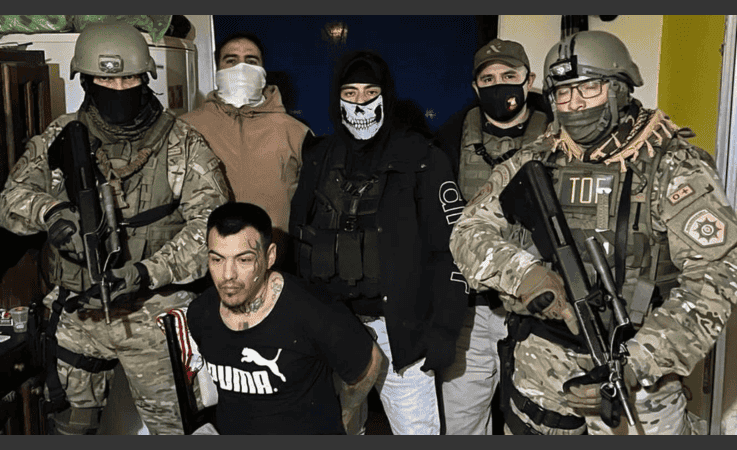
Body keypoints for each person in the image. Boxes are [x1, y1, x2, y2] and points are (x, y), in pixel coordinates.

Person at [449, 30, 737, 435]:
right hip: (543, 364)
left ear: (619, 88)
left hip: (640, 372)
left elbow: (715, 277)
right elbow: (468, 231)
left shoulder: (671, 164)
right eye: (564, 93)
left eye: (589, 87)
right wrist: (525, 275)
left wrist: (634, 364)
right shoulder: (538, 158)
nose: (575, 103)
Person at [0, 21, 229, 435]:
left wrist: (146, 272)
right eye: (106, 79)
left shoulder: (183, 143)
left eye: (128, 78)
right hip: (77, 313)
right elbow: (10, 203)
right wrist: (50, 213)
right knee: (71, 428)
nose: (118, 88)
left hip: (153, 314)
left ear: (146, 79)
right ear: (86, 80)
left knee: (179, 429)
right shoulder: (60, 136)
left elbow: (211, 230)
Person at [289, 49, 467, 435]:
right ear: (337, 98)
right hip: (330, 327)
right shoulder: (318, 158)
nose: (361, 103)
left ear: (387, 95)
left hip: (400, 330)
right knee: (337, 429)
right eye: (350, 93)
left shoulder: (423, 157)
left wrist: (445, 329)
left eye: (370, 93)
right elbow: (297, 242)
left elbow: (451, 250)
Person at [186, 202, 383, 434]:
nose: (228, 275)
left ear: (269, 256)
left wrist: (345, 417)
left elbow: (369, 363)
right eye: (217, 260)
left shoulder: (312, 309)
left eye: (244, 260)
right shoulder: (201, 313)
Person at [436, 38, 548, 435]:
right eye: (488, 79)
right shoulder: (448, 139)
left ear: (528, 80)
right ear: (475, 86)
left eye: (508, 75)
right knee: (462, 422)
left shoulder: (558, 135)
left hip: (538, 306)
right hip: (472, 308)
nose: (499, 85)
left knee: (533, 421)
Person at [180, 32, 312, 270]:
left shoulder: (295, 132)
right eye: (231, 60)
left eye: (251, 61)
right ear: (217, 69)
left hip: (276, 265)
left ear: (263, 71)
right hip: (207, 269)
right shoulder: (187, 128)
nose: (241, 69)